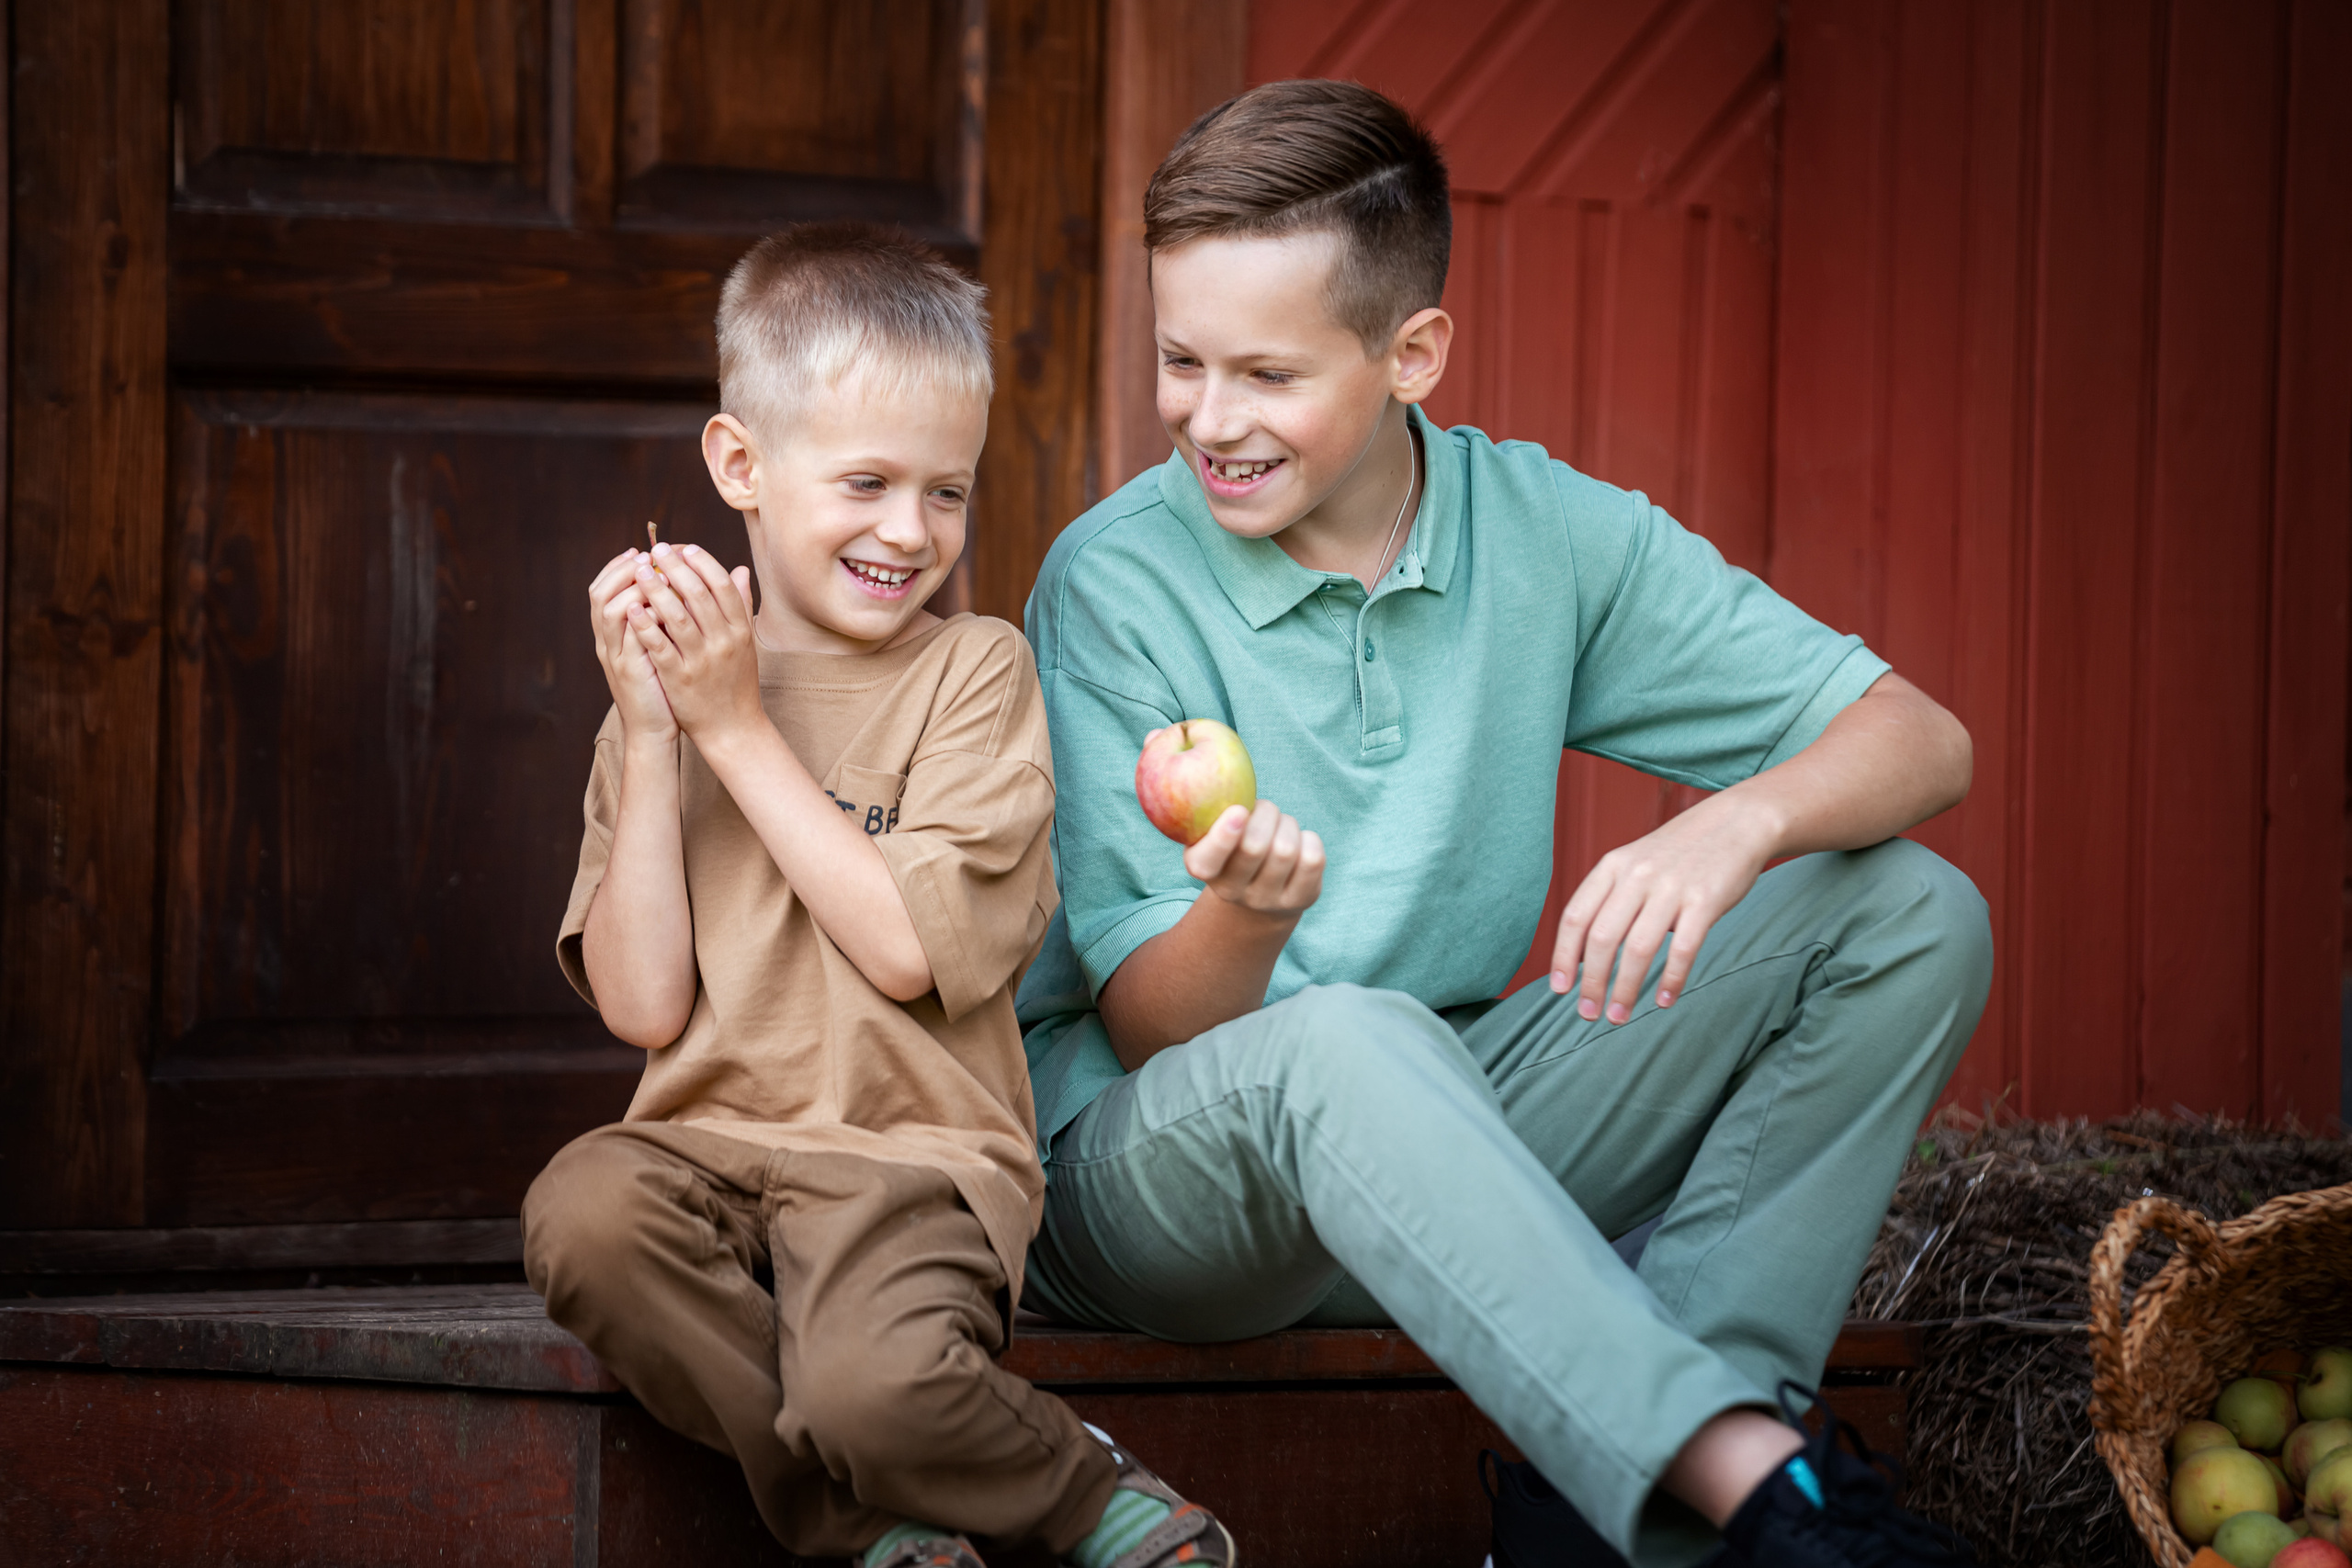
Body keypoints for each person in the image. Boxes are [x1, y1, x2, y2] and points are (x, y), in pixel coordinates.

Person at [1016, 81, 1991, 1568]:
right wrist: (1248, 920)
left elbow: (1925, 740)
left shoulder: (1547, 534)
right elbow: (1153, 1026)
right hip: (1164, 1188)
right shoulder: (1117, 581)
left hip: (1448, 1147)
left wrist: (1734, 825)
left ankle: (1640, 1510)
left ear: (1413, 354)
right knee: (1348, 1036)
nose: (1211, 419)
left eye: (1268, 374)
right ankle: (1750, 1486)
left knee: (1912, 914)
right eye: (1180, 361)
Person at [521, 224, 1234, 1568]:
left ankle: (1087, 1494)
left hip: (911, 1164)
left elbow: (908, 950)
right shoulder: (665, 705)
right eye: (867, 482)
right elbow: (643, 1003)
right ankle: (870, 1522)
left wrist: (733, 729)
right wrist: (661, 739)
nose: (910, 531)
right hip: (707, 1150)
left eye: (946, 492)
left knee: (871, 1389)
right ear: (741, 464)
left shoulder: (975, 672)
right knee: (583, 1213)